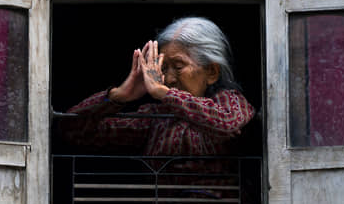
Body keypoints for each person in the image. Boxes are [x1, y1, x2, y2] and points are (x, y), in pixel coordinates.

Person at [63, 17, 255, 156]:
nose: (169, 79)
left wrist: (164, 93)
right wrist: (119, 95)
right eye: (162, 68)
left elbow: (228, 123)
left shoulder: (229, 101)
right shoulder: (156, 118)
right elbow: (72, 130)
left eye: (178, 67)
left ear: (212, 72)